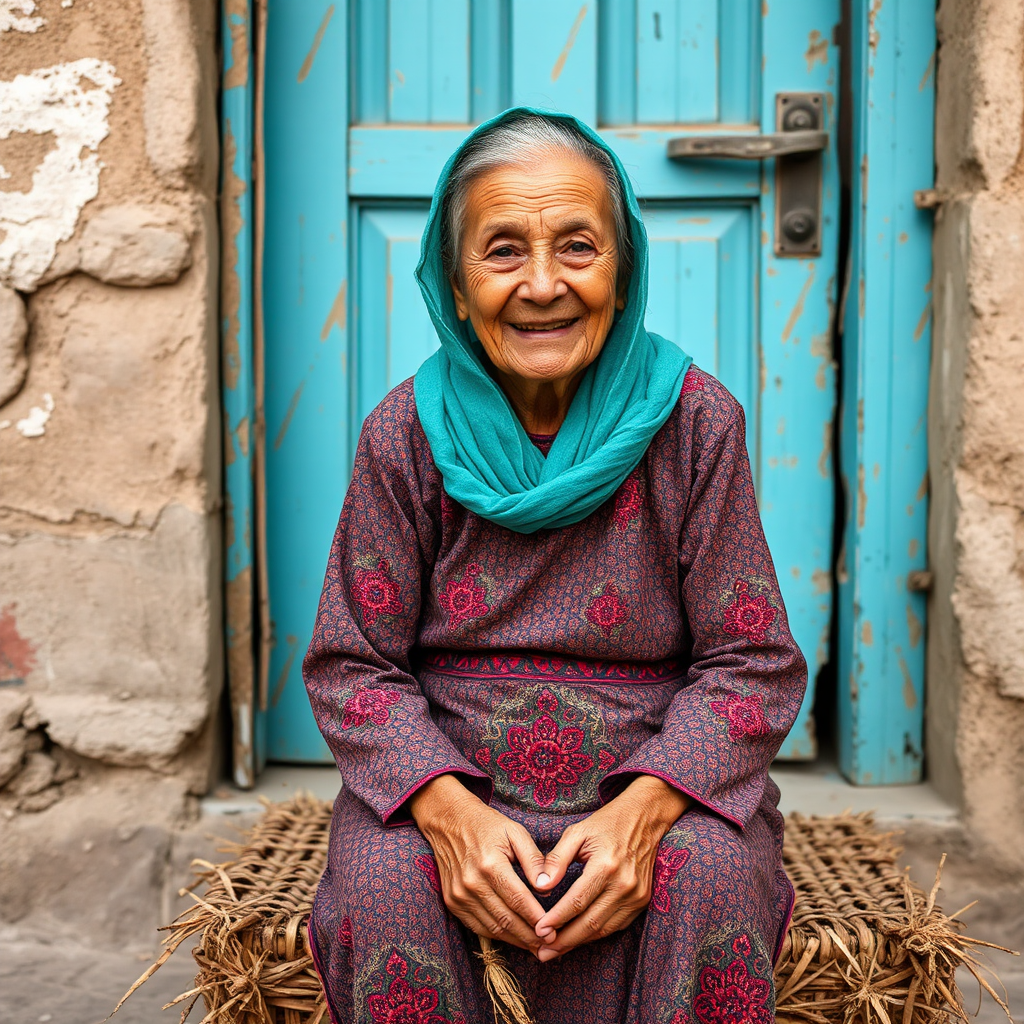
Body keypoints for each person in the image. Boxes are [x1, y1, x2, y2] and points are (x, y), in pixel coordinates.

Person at [303, 107, 805, 1024]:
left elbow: (752, 662)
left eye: (579, 246)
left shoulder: (695, 423)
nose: (543, 285)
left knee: (712, 873)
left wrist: (645, 811)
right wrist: (447, 814)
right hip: (453, 773)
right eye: (502, 252)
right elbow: (352, 666)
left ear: (624, 273)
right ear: (454, 285)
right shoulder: (405, 435)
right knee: (388, 885)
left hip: (655, 777)